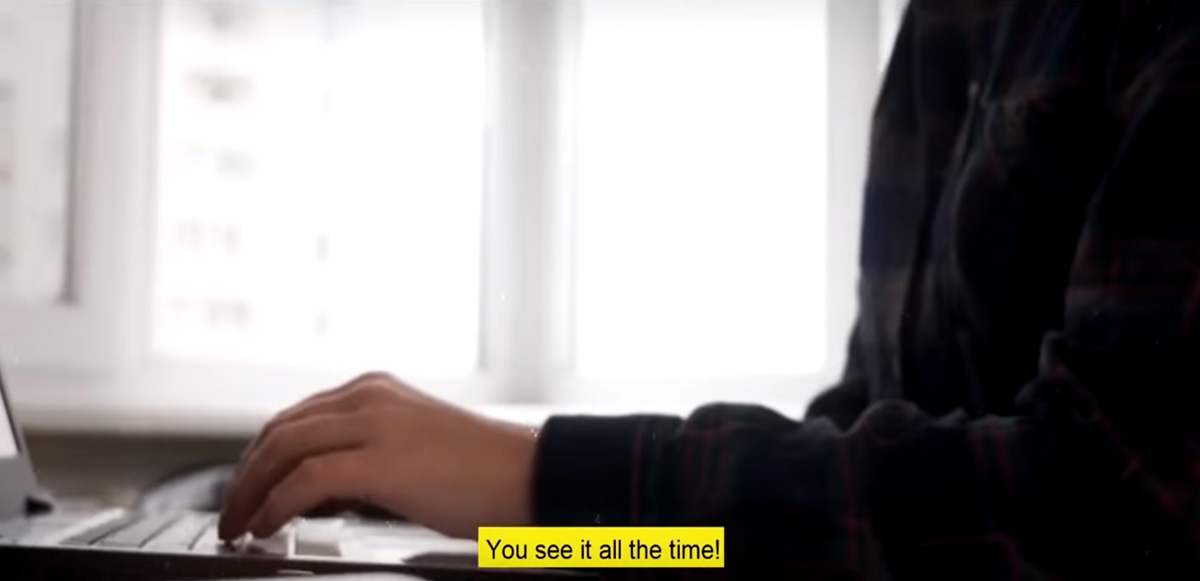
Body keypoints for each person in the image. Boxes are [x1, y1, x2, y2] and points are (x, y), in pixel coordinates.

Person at [217, 0, 1200, 578]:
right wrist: (539, 540)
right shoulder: (946, 25)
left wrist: (543, 478)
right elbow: (863, 465)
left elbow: (1115, 502)